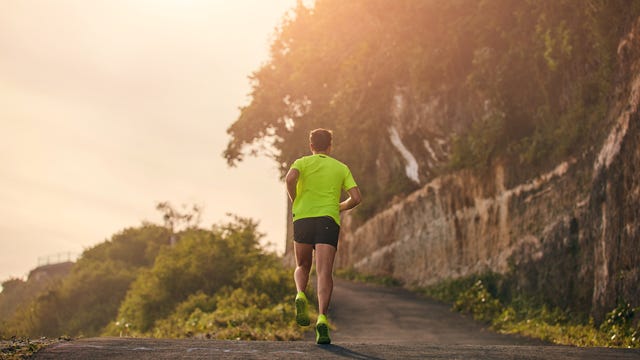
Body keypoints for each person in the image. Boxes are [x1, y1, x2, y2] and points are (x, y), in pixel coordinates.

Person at [285, 128, 362, 344]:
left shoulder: (301, 162)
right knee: (324, 272)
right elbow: (356, 198)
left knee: (302, 265)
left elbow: (289, 179)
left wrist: (296, 199)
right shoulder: (340, 167)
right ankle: (321, 319)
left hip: (302, 217)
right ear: (330, 146)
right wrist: (339, 207)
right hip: (328, 219)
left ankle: (300, 294)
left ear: (311, 146)